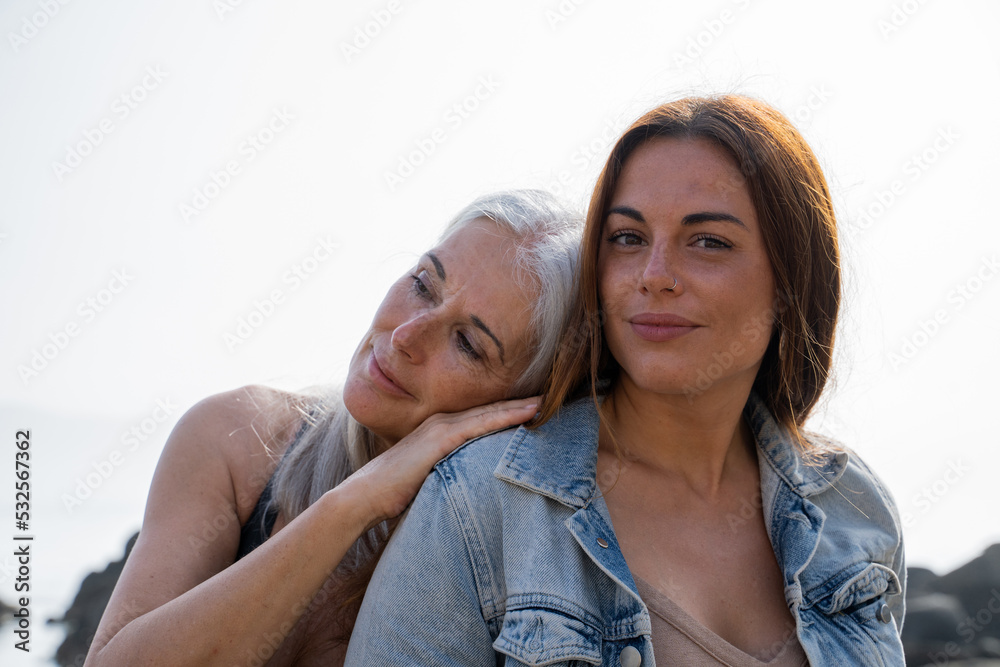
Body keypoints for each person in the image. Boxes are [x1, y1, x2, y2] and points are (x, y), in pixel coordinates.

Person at [346, 95, 906, 666]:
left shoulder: (852, 506)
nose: (655, 275)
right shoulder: (481, 504)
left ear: (794, 280)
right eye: (628, 238)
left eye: (708, 241)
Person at [83, 189, 582, 666]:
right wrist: (352, 505)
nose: (406, 335)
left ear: (527, 402)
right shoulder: (236, 437)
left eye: (468, 344)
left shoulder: (510, 556)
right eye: (423, 285)